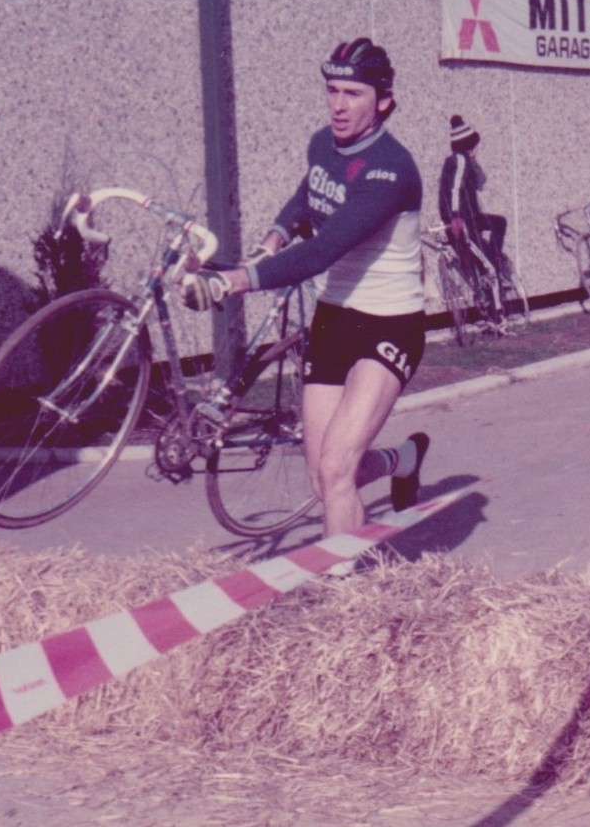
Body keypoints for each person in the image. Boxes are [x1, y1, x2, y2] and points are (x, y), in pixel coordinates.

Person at [189, 37, 430, 540]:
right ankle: (403, 460)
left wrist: (235, 280)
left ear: (384, 102)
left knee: (339, 468)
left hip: (389, 324)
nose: (339, 105)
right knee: (324, 479)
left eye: (353, 94)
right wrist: (274, 236)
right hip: (334, 318)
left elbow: (322, 252)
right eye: (332, 91)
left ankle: (346, 584)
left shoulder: (392, 171)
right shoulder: (324, 144)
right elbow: (308, 196)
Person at [438, 114, 509, 275]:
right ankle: (495, 260)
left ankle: (486, 271)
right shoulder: (461, 160)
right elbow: (456, 187)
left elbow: (479, 182)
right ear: (469, 145)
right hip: (465, 217)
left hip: (460, 215)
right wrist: (456, 215)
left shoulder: (455, 161)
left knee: (478, 255)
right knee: (499, 223)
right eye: (474, 146)